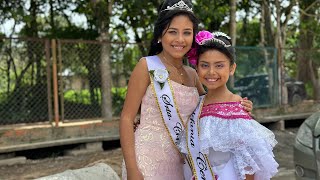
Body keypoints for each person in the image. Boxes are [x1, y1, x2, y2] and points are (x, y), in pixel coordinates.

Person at [119, 1, 253, 179]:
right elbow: (126, 118)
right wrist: (132, 169)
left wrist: (237, 104)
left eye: (187, 33)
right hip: (146, 159)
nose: (180, 39)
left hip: (183, 163)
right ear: (160, 35)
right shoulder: (146, 66)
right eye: (173, 32)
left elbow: (209, 107)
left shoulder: (193, 74)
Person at [179, 30, 279, 180]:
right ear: (197, 68)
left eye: (219, 66)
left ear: (231, 68)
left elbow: (247, 163)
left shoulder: (237, 107)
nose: (211, 72)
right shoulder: (196, 104)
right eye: (205, 65)